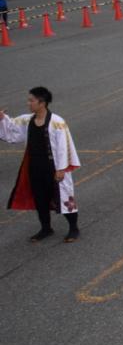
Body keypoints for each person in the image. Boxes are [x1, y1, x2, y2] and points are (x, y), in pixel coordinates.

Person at [0, 87, 82, 242]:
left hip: (53, 167)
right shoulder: (27, 120)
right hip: (35, 167)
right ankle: (46, 228)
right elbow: (11, 129)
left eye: (31, 100)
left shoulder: (57, 122)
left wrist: (61, 168)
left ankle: (73, 228)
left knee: (64, 197)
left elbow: (64, 146)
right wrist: (2, 118)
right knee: (40, 198)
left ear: (42, 103)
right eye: (29, 100)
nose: (28, 103)